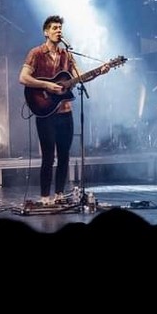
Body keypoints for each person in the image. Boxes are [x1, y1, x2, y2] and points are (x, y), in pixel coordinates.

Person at [19, 15, 110, 205]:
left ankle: (59, 194)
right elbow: (23, 78)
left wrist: (100, 71)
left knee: (64, 156)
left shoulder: (67, 55)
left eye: (60, 28)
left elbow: (79, 77)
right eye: (54, 28)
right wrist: (47, 85)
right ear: (46, 32)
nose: (58, 31)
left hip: (65, 112)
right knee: (48, 156)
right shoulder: (36, 53)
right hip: (44, 111)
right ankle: (45, 197)